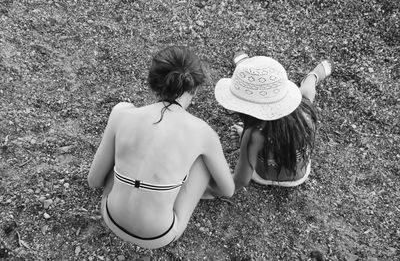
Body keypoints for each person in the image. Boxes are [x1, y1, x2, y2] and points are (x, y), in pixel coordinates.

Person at [87, 46, 234, 249]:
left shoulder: (122, 113)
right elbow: (227, 189)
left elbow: (94, 181)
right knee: (202, 161)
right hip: (158, 235)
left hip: (110, 215)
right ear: (195, 88)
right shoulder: (203, 132)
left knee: (127, 146)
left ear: (153, 82)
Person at [214, 52, 332, 189]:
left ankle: (247, 75)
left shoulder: (254, 135)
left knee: (253, 144)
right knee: (307, 91)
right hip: (299, 174)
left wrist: (219, 180)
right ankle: (312, 76)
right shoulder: (305, 111)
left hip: (264, 176)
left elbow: (240, 181)